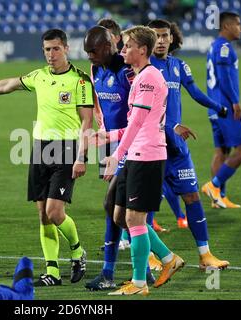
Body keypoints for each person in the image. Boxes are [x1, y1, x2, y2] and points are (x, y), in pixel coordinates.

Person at [0, 29, 93, 287]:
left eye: (55, 49)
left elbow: (87, 120)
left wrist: (81, 157)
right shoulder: (39, 76)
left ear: (66, 48)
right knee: (43, 214)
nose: (51, 55)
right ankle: (52, 272)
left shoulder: (80, 81)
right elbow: (8, 84)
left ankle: (77, 251)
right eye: (46, 50)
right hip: (40, 148)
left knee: (55, 212)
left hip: (66, 149)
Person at [100, 25, 185, 296]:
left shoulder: (148, 79)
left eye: (127, 46)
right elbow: (133, 125)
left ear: (142, 50)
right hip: (136, 154)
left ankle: (139, 284)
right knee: (120, 216)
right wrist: (105, 137)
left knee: (135, 220)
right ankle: (168, 258)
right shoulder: (140, 77)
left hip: (146, 157)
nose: (122, 50)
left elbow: (137, 123)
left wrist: (115, 155)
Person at [147, 19, 230, 270]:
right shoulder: (142, 68)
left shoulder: (178, 66)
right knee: (147, 203)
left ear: (172, 38)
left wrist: (218, 107)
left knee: (193, 197)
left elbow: (195, 92)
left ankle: (205, 256)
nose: (161, 40)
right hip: (152, 145)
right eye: (156, 36)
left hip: (177, 146)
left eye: (165, 35)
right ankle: (150, 257)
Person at [82, 26, 157, 291]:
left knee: (118, 209)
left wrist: (119, 149)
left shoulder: (128, 72)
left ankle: (117, 271)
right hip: (111, 144)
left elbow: (140, 114)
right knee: (120, 212)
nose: (89, 56)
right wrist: (103, 132)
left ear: (107, 46)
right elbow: (103, 107)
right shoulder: (95, 70)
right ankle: (145, 269)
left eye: (93, 51)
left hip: (130, 147)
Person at [203, 12, 241, 208]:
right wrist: (235, 102)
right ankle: (214, 186)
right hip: (226, 107)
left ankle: (218, 198)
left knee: (221, 152)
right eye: (238, 24)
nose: (240, 28)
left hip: (214, 107)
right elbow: (224, 78)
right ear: (227, 26)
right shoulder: (224, 47)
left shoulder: (214, 46)